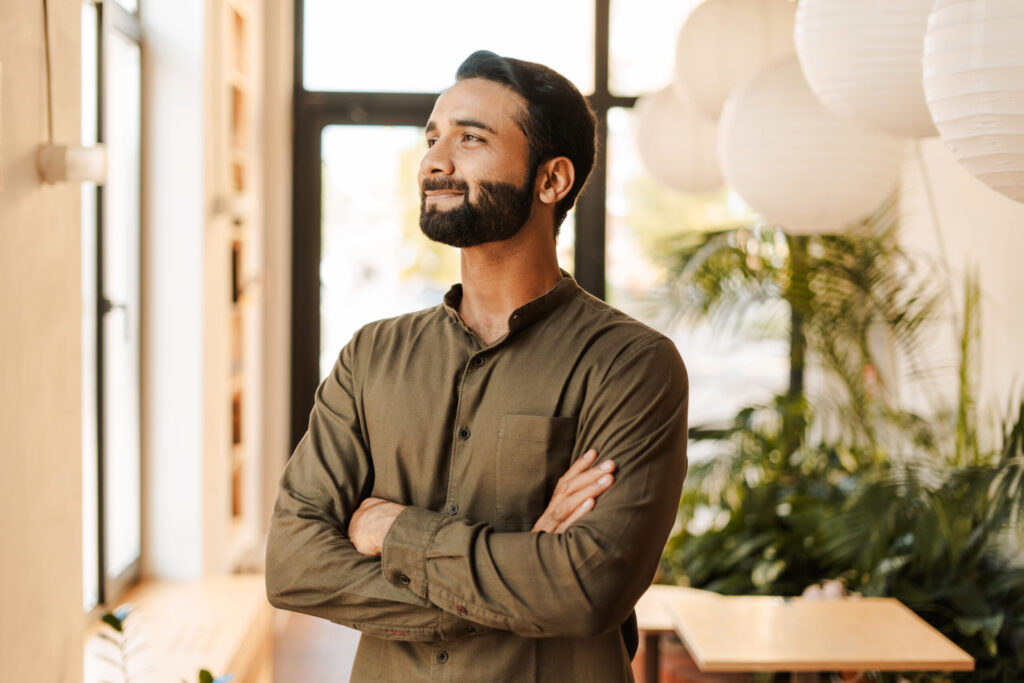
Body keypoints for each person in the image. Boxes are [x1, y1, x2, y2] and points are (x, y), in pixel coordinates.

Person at [266, 50, 688, 682]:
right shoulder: (370, 355)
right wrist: (524, 576)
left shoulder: (631, 365)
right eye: (432, 138)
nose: (435, 161)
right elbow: (294, 565)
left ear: (552, 181)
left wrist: (395, 531)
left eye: (470, 139)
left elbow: (586, 589)